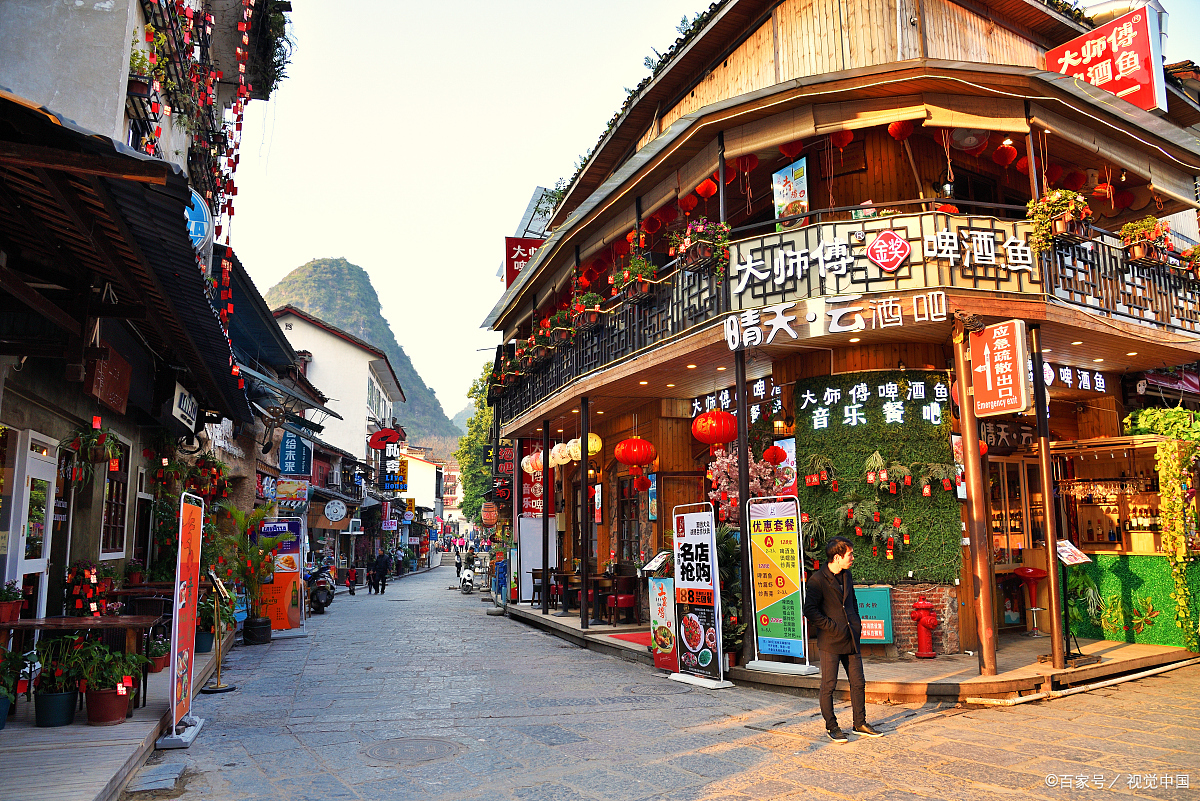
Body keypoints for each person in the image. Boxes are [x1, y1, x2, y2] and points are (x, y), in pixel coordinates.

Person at [802, 536, 883, 743]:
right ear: (837, 557)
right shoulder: (817, 580)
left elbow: (852, 602)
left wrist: (856, 623)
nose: (852, 558)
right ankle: (832, 726)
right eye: (850, 554)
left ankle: (859, 723)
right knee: (828, 685)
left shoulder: (847, 575)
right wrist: (832, 627)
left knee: (858, 682)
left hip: (851, 638)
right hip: (831, 641)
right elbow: (809, 610)